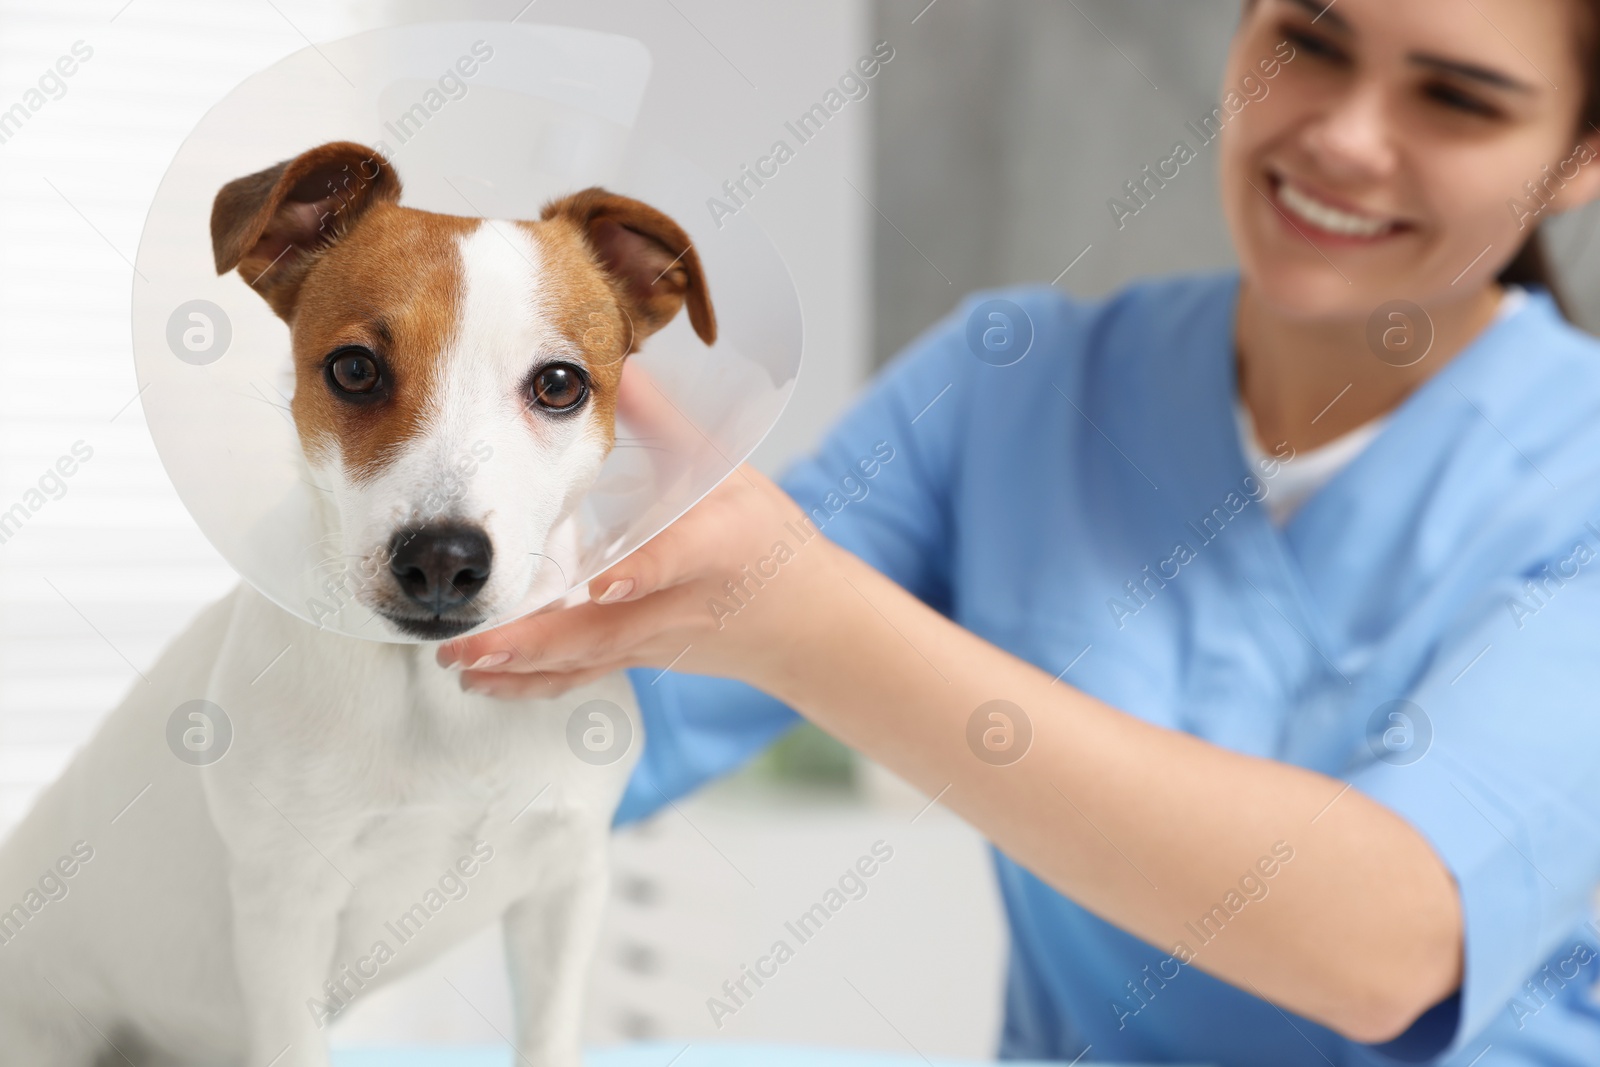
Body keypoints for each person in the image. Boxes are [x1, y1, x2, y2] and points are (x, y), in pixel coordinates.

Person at [439, 0, 1600, 1061]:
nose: (1345, 136)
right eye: (1310, 41)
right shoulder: (1012, 388)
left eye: (1454, 97)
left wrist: (801, 618)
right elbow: (607, 722)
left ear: (1579, 158)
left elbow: (1386, 945)